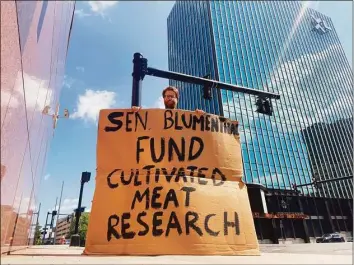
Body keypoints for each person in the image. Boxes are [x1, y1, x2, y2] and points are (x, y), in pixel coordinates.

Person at [132, 86, 205, 114]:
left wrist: (201, 117)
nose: (170, 98)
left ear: (177, 99)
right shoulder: (155, 117)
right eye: (167, 96)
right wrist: (136, 113)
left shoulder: (188, 119)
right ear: (163, 99)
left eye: (172, 96)